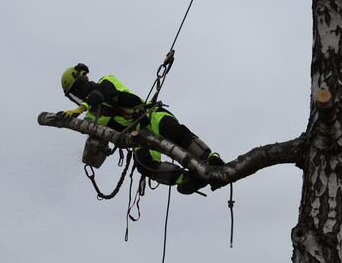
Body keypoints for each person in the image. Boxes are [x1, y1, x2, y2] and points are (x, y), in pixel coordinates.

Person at [58, 63, 224, 194]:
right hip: (138, 137)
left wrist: (80, 109)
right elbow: (94, 133)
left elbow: (100, 95)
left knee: (173, 131)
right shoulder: (92, 117)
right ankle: (187, 179)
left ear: (85, 79)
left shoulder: (106, 82)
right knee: (143, 164)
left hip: (150, 117)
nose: (79, 95)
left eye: (79, 89)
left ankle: (210, 160)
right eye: (75, 94)